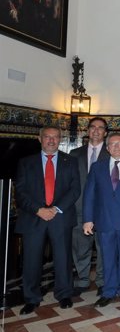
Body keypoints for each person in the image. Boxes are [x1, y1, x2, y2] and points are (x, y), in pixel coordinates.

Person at [15, 125, 80, 314]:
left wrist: (55, 209)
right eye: (47, 137)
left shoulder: (70, 161)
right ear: (40, 138)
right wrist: (38, 210)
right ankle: (31, 298)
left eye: (55, 137)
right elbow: (20, 191)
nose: (51, 141)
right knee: (31, 260)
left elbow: (74, 189)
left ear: (61, 140)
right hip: (33, 218)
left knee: (63, 258)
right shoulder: (26, 163)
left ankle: (64, 294)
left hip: (60, 217)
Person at [82, 132, 120, 308]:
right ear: (107, 148)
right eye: (112, 144)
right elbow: (89, 195)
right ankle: (108, 291)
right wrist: (88, 219)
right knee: (106, 259)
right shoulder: (97, 167)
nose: (116, 147)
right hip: (104, 222)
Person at [69, 117, 109, 296]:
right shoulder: (75, 154)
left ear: (105, 133)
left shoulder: (112, 154)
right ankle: (83, 279)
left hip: (104, 211)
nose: (96, 130)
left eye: (100, 128)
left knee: (103, 248)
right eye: (93, 127)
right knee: (80, 247)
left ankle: (101, 280)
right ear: (87, 131)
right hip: (79, 209)